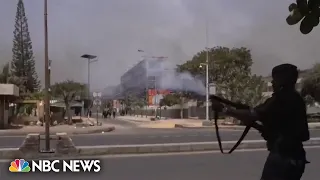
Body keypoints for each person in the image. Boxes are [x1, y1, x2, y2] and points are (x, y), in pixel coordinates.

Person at [213, 63, 310, 180]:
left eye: (275, 79)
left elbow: (253, 115)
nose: (272, 83)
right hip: (292, 157)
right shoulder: (293, 98)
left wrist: (225, 109)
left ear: (283, 80)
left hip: (283, 158)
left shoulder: (282, 99)